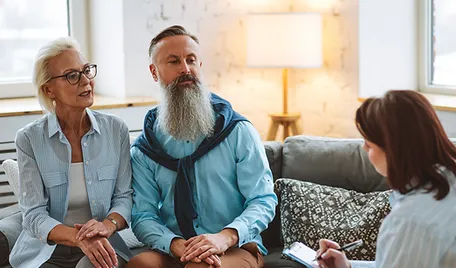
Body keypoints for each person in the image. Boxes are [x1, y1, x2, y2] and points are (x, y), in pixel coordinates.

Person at [127, 25, 277, 268]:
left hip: (234, 246)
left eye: (191, 60)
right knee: (139, 264)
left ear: (200, 66)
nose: (185, 69)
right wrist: (174, 244)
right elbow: (143, 215)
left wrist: (224, 237)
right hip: (177, 248)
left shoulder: (238, 131)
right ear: (154, 72)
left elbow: (263, 200)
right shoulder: (146, 147)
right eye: (174, 61)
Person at [9, 37, 133, 268]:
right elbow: (34, 215)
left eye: (86, 71)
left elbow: (125, 197)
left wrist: (107, 225)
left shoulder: (116, 130)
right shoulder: (29, 139)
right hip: (46, 251)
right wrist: (80, 238)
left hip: (104, 246)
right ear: (49, 89)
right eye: (72, 75)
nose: (86, 81)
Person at [316, 90, 456, 268]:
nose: (364, 148)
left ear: (394, 150)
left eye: (369, 143)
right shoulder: (447, 182)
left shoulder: (408, 222)